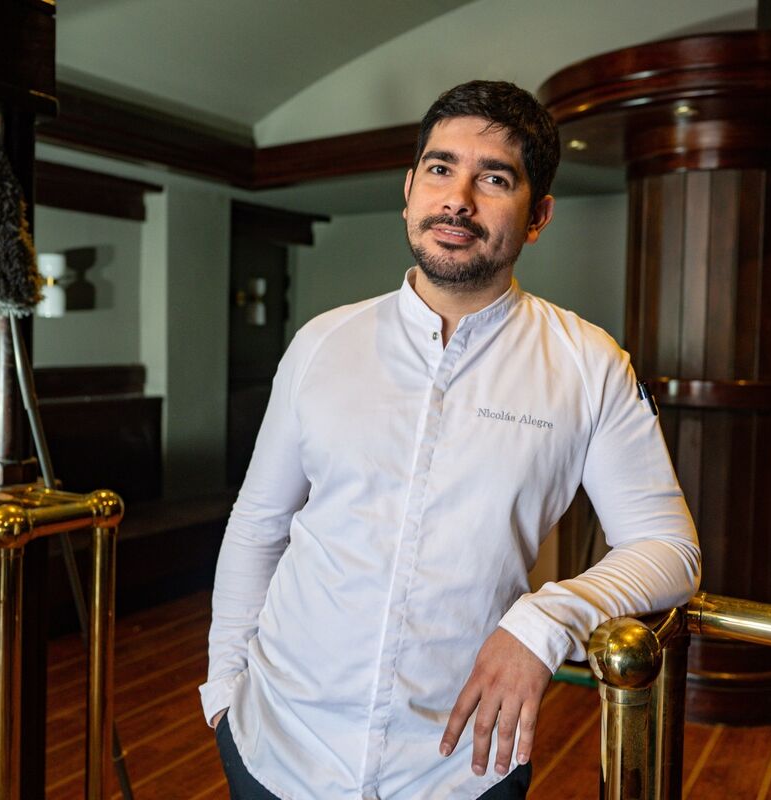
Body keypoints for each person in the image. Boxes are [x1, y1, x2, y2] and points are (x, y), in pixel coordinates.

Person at [200, 80, 700, 800]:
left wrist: (545, 620)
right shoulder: (321, 343)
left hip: (460, 765)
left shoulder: (588, 363)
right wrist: (225, 690)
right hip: (277, 744)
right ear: (409, 190)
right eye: (439, 169)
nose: (457, 198)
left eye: (494, 178)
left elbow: (668, 548)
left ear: (539, 215)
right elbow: (258, 525)